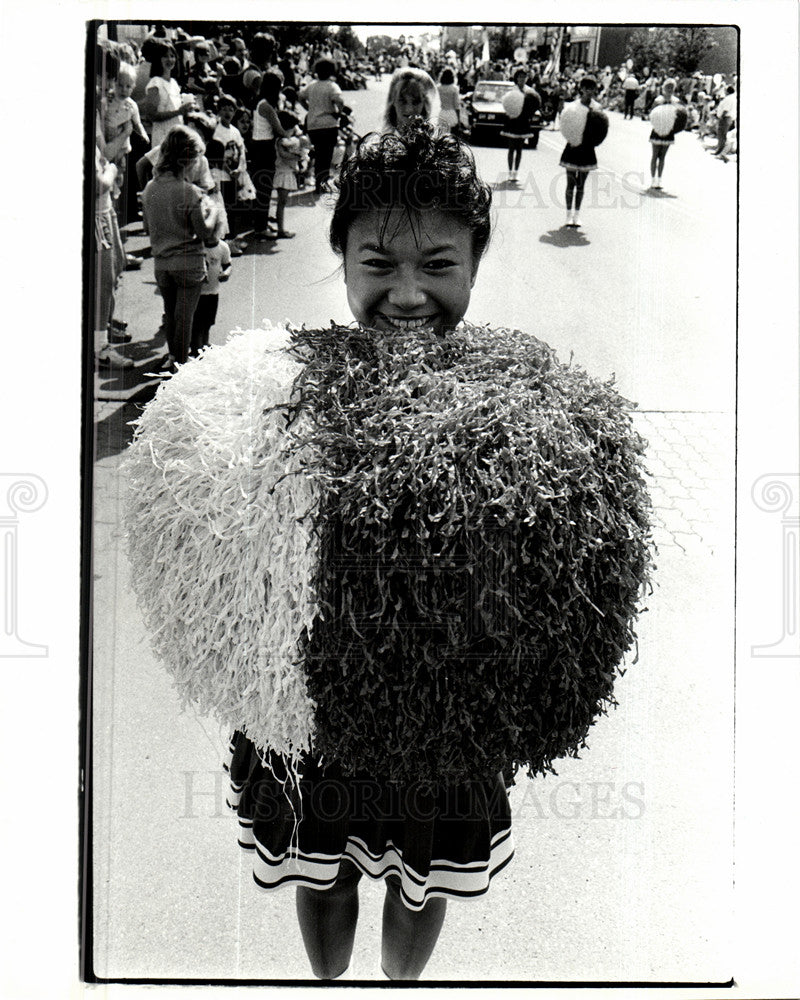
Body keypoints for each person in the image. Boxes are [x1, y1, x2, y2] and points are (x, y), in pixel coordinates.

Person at [223, 123, 506, 982]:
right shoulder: (280, 390)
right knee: (324, 870)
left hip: (448, 723)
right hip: (311, 722)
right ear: (343, 258)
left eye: (438, 265)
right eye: (380, 263)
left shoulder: (512, 406)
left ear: (475, 264)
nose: (409, 294)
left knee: (422, 886)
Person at [140, 125, 218, 372]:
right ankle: (180, 367)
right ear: (190, 160)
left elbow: (146, 227)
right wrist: (213, 212)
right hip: (188, 263)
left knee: (171, 315)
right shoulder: (189, 192)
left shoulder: (150, 189)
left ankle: (173, 356)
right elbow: (205, 233)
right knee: (186, 319)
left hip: (161, 264)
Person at [559, 76, 606, 227]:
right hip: (573, 148)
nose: (589, 92)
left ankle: (576, 215)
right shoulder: (572, 107)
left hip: (587, 150)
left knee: (581, 185)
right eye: (587, 88)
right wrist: (573, 139)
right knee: (570, 183)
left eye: (592, 89)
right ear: (582, 89)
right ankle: (568, 215)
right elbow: (566, 125)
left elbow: (601, 128)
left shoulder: (597, 108)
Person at [250, 72, 291, 238]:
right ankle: (260, 228)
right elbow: (279, 129)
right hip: (263, 148)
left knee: (263, 188)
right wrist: (292, 137)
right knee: (264, 189)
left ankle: (262, 223)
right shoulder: (266, 106)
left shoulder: (261, 103)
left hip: (260, 146)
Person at [299, 58, 345, 193]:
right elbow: (339, 101)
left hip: (313, 125)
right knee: (327, 155)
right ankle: (323, 183)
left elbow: (300, 97)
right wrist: (338, 112)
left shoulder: (311, 85)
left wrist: (309, 108)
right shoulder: (332, 86)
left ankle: (318, 183)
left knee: (319, 154)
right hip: (329, 124)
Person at [143, 39, 196, 146]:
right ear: (158, 59)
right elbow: (151, 115)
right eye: (165, 56)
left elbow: (177, 110)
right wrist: (178, 112)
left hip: (176, 136)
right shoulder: (155, 83)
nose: (169, 59)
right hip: (162, 138)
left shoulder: (174, 83)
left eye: (172, 56)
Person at [189, 238, 231, 357]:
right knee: (197, 323)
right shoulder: (196, 246)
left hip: (213, 291)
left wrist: (226, 273)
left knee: (208, 321)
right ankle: (196, 348)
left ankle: (204, 343)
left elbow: (227, 265)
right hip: (197, 292)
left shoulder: (223, 246)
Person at [500, 68, 540, 184]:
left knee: (520, 148)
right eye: (520, 77)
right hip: (513, 121)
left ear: (527, 78)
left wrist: (529, 113)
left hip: (523, 121)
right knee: (511, 147)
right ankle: (509, 172)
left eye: (524, 77)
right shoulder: (512, 90)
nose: (522, 79)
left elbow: (535, 104)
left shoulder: (530, 92)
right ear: (516, 78)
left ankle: (515, 172)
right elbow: (507, 103)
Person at [648, 78, 685, 189]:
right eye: (668, 87)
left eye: (671, 88)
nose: (669, 89)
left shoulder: (676, 101)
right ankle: (653, 179)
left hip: (669, 131)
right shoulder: (658, 100)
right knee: (655, 155)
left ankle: (660, 179)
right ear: (664, 88)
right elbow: (653, 114)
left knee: (663, 157)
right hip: (657, 129)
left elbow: (680, 115)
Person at [272, 111, 304, 238]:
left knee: (283, 202)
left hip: (287, 172)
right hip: (282, 173)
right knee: (282, 202)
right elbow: (284, 156)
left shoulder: (285, 141)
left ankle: (280, 227)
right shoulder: (281, 141)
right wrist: (298, 156)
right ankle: (280, 229)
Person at [382, 67, 440, 134]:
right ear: (393, 101)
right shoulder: (379, 141)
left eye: (416, 102)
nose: (409, 109)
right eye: (402, 101)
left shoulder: (434, 142)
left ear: (425, 103)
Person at [714, 85, 737, 157]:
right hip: (728, 118)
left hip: (725, 118)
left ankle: (720, 151)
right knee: (722, 134)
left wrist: (721, 116)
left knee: (721, 134)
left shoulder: (728, 99)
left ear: (727, 91)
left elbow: (726, 109)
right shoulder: (732, 98)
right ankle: (719, 150)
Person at [436, 67, 460, 134]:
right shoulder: (454, 88)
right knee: (450, 135)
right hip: (451, 113)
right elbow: (456, 105)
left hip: (441, 113)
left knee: (441, 134)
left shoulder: (438, 88)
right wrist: (458, 118)